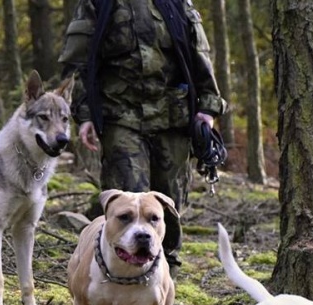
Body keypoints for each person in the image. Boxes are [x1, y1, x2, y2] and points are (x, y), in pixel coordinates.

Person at [58, 0, 227, 274]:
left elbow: (198, 54)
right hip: (120, 116)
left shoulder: (175, 3)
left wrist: (208, 106)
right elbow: (77, 61)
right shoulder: (98, 3)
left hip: (173, 116)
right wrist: (85, 114)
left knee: (169, 204)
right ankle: (121, 275)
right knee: (127, 197)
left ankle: (164, 278)